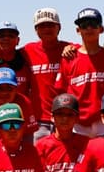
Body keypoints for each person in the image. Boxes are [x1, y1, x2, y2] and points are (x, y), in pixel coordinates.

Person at [56, 7, 104, 137]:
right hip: (77, 124)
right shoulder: (69, 58)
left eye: (93, 24)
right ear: (78, 30)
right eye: (84, 25)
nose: (89, 29)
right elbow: (61, 94)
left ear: (101, 29)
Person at [22, 8, 73, 141]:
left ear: (59, 27)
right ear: (36, 30)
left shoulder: (71, 50)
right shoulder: (27, 51)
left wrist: (72, 48)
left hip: (66, 117)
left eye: (50, 25)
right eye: (41, 26)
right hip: (39, 121)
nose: (46, 29)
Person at [0, 21, 34, 106]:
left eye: (11, 36)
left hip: (21, 114)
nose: (6, 39)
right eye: (1, 36)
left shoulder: (27, 60)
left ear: (18, 40)